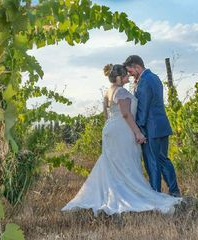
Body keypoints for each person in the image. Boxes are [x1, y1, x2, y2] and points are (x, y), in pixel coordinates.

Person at [61, 64, 182, 216]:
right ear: (119, 78)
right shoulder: (122, 91)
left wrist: (110, 126)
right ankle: (128, 195)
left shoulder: (108, 91)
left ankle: (114, 194)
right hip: (123, 130)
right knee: (126, 164)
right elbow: (126, 114)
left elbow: (106, 114)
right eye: (126, 76)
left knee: (114, 164)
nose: (128, 78)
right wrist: (137, 132)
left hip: (111, 129)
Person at [123, 55, 181, 197]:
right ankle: (174, 191)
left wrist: (138, 129)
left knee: (152, 162)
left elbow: (143, 108)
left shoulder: (144, 81)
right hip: (161, 125)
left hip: (150, 128)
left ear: (137, 67)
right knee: (162, 159)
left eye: (130, 71)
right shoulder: (154, 77)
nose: (129, 75)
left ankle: (155, 194)